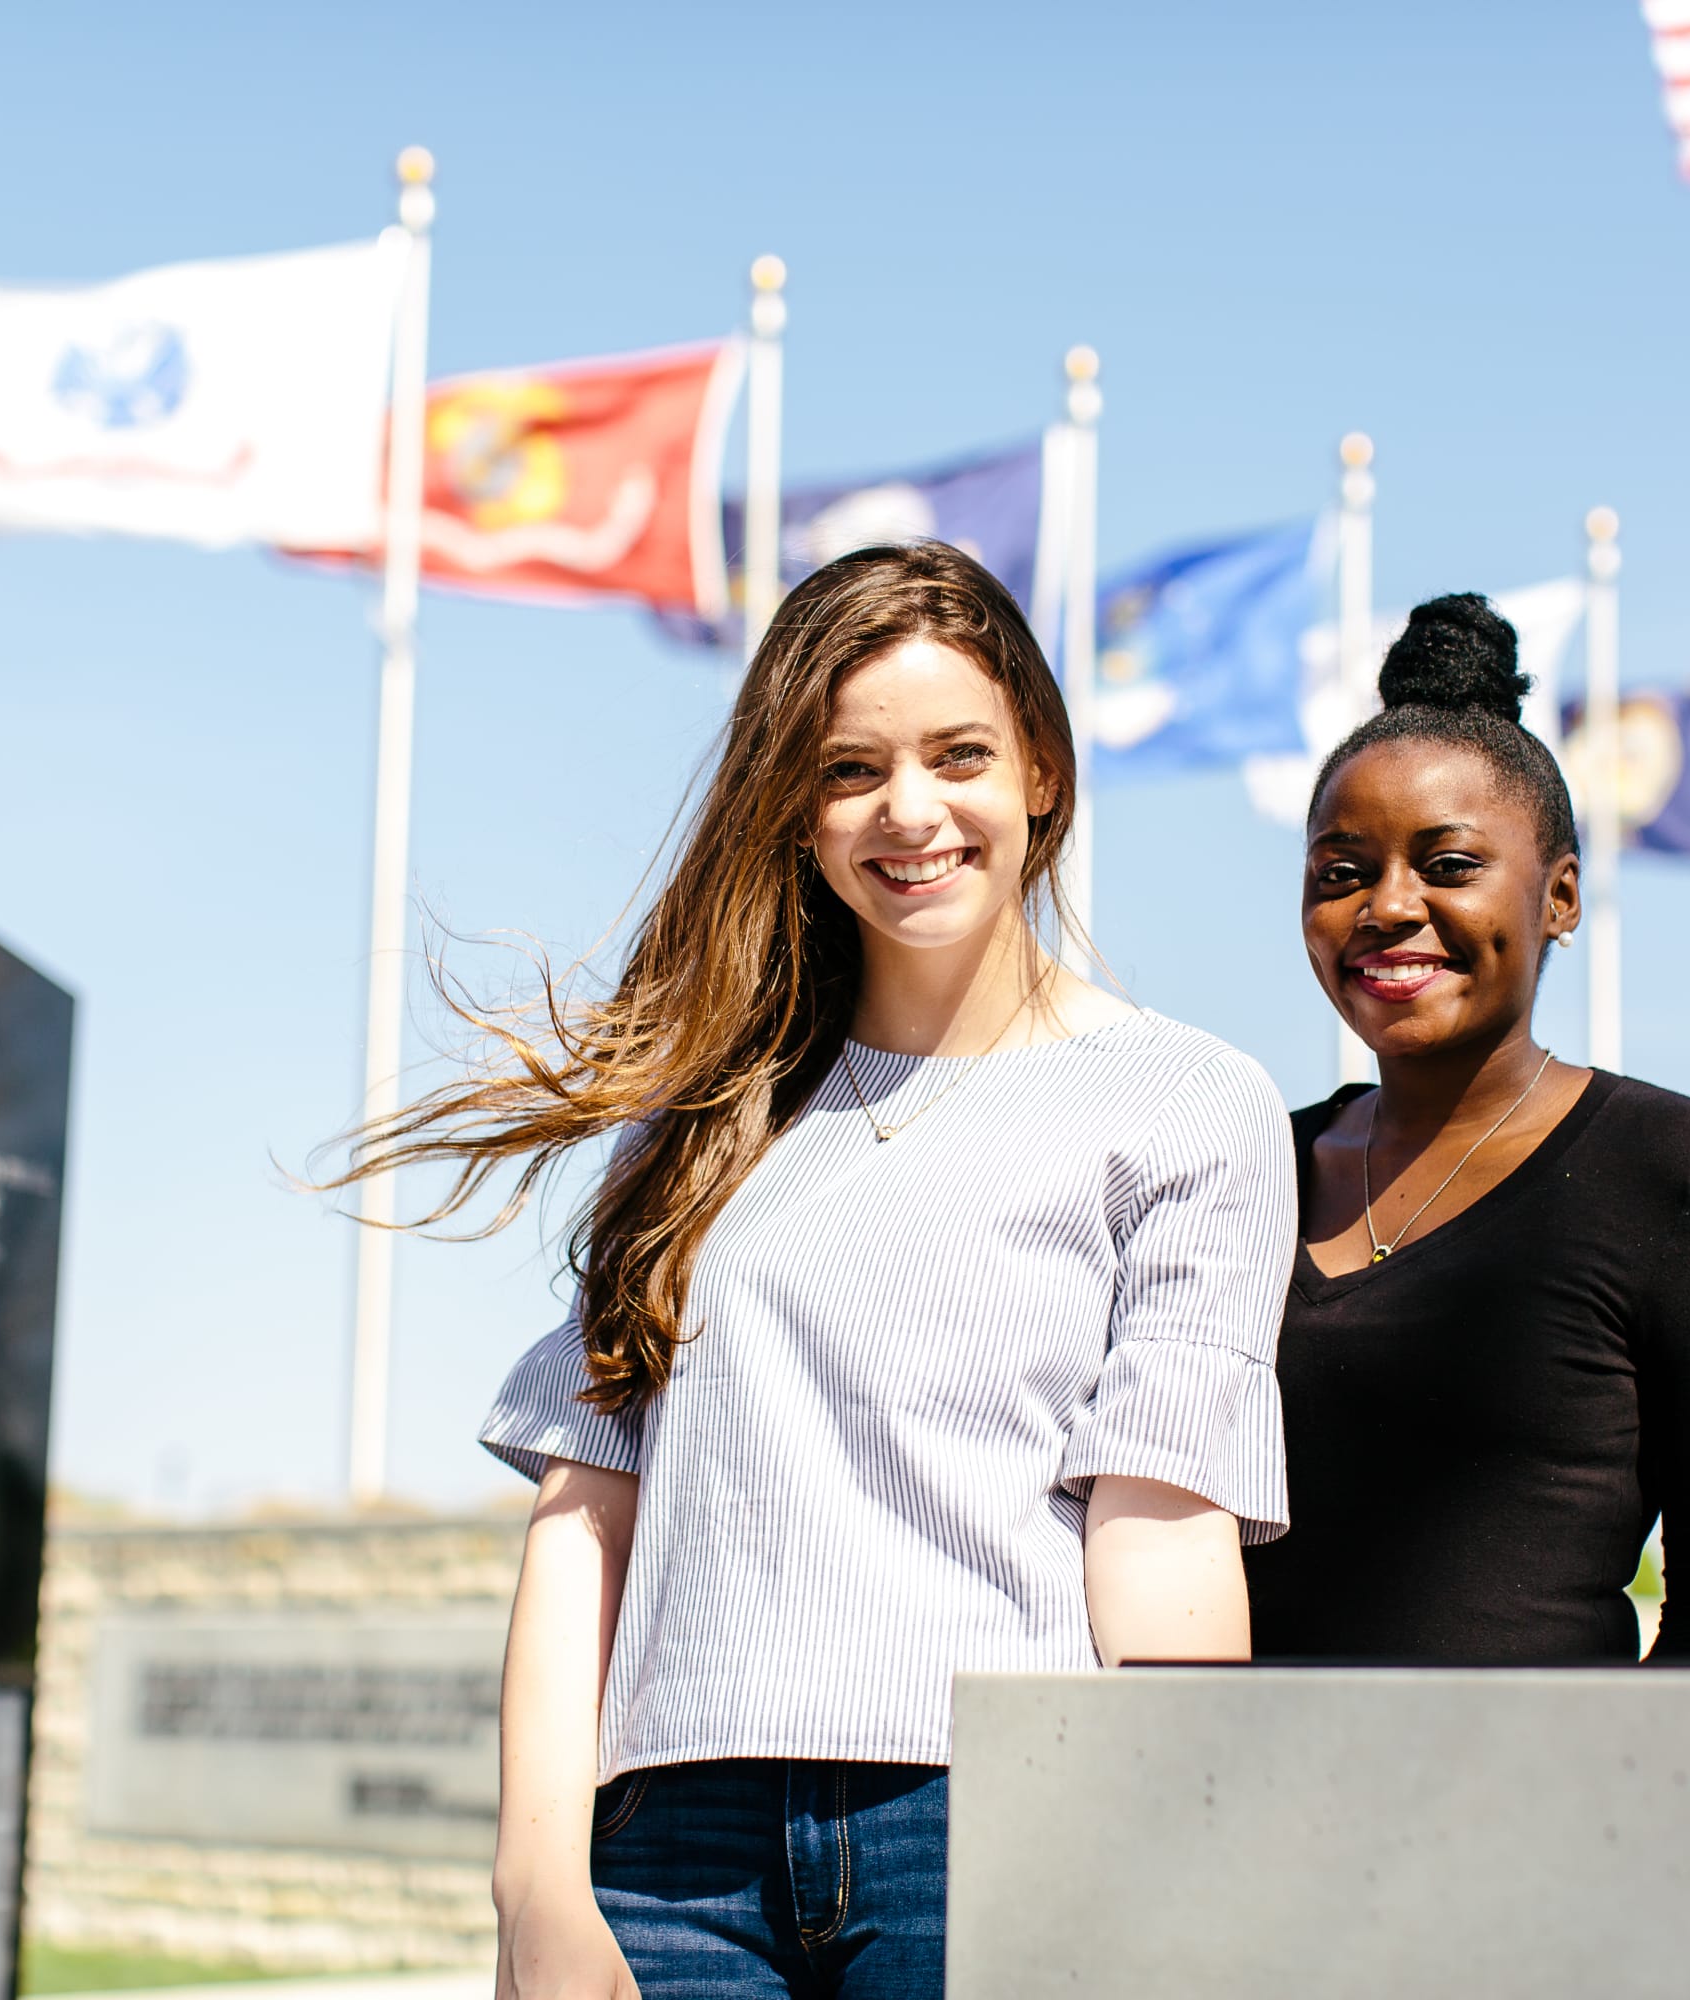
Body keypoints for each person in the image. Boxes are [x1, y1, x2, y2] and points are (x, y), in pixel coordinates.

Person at [345, 541, 1294, 1999]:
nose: (910, 811)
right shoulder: (698, 1111)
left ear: (1041, 767)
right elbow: (583, 1512)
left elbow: (1161, 1534)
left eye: (959, 754)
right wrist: (535, 1884)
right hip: (667, 1861)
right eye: (850, 769)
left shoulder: (1187, 1103)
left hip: (996, 1824)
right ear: (794, 808)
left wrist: (1184, 1877)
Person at [1241, 592, 1690, 1666]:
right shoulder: (1237, 1176)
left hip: (1541, 1816)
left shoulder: (1683, 1178)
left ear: (1560, 895)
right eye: (1341, 871)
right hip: (1233, 1812)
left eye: (1448, 864)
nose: (1387, 906)